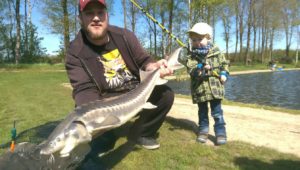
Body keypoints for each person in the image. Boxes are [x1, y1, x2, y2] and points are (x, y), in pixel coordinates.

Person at [65, 0, 175, 157]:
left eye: (100, 13)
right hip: (105, 98)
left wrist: (154, 66)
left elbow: (144, 61)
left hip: (136, 90)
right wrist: (95, 120)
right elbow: (83, 89)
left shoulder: (124, 35)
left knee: (166, 95)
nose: (96, 18)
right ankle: (107, 135)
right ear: (80, 18)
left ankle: (141, 133)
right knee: (100, 142)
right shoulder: (75, 52)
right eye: (89, 13)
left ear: (107, 16)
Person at [181, 22, 230, 145]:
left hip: (215, 90)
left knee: (217, 113)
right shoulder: (191, 55)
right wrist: (201, 68)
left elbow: (225, 65)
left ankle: (220, 132)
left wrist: (223, 74)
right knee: (202, 113)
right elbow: (192, 71)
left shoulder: (217, 52)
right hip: (200, 90)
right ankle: (203, 131)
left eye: (200, 39)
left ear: (208, 38)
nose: (197, 42)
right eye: (194, 40)